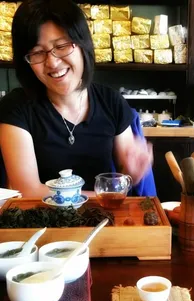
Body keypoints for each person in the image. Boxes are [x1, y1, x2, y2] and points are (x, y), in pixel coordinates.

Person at [0, 0, 154, 198]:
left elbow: (124, 175)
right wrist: (104, 197)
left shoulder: (111, 101)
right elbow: (28, 192)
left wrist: (133, 169)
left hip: (105, 222)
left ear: (83, 45)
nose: (53, 62)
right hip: (42, 224)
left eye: (62, 46)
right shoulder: (16, 108)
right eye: (37, 52)